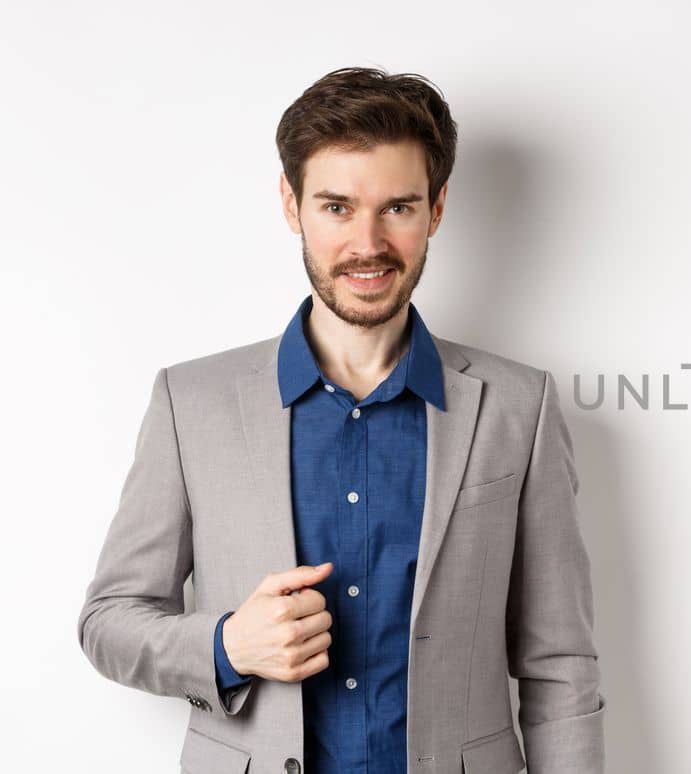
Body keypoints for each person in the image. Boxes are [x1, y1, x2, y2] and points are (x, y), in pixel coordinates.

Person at [77, 66, 606, 774]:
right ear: (291, 205)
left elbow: (559, 662)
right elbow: (110, 619)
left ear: (437, 209)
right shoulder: (191, 402)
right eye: (336, 207)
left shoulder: (520, 405)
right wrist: (227, 646)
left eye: (398, 207)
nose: (368, 243)